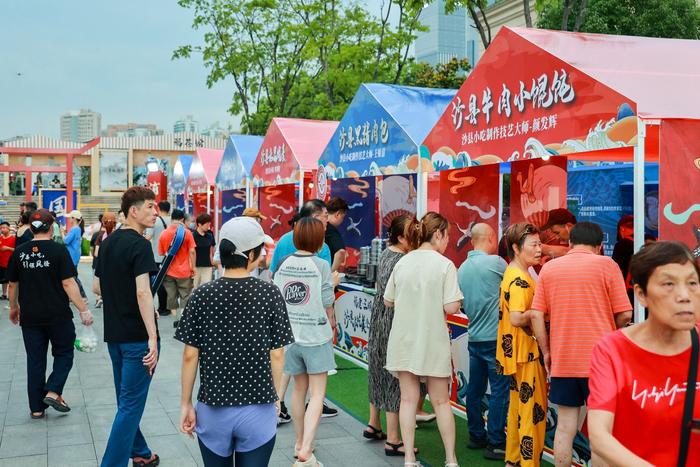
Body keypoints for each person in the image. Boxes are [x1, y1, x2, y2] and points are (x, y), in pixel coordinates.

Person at [177, 216, 293, 467]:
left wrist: (186, 403)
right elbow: (277, 354)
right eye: (260, 250)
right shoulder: (269, 292)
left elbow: (190, 355)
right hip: (258, 407)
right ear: (249, 255)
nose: (262, 255)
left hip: (213, 409)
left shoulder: (202, 294)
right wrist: (276, 397)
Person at [529, 222, 632, 467]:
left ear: (571, 242)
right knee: (600, 432)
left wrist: (546, 352)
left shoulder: (550, 268)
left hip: (563, 359)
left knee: (565, 427)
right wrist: (610, 332)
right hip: (601, 363)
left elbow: (535, 314)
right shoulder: (607, 265)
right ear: (599, 246)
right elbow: (626, 315)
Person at [588, 241, 700, 465]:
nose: (684, 295)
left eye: (692, 283)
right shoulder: (613, 350)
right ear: (641, 294)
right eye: (668, 284)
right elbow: (599, 434)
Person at [383, 212, 464, 467]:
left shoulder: (403, 262)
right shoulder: (445, 265)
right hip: (432, 340)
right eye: (447, 235)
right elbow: (452, 307)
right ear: (437, 234)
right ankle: (450, 460)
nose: (448, 241)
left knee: (407, 400)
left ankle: (408, 458)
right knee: (440, 402)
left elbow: (388, 300)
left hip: (403, 340)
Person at [94, 187, 160, 467]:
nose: (155, 212)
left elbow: (97, 286)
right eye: (150, 207)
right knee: (131, 405)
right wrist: (153, 337)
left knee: (126, 402)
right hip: (136, 338)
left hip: (115, 336)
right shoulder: (140, 244)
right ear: (134, 211)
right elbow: (143, 293)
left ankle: (141, 453)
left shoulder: (107, 242)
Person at [6, 209, 93, 419]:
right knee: (64, 353)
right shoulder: (58, 250)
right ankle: (54, 391)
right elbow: (68, 283)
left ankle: (36, 408)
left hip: (31, 317)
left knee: (35, 360)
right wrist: (83, 309)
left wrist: (14, 307)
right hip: (58, 315)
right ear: (52, 227)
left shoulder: (20, 252)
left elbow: (12, 284)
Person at [273, 217, 337, 467]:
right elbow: (326, 300)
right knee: (317, 393)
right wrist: (333, 285)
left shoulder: (283, 263)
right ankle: (307, 448)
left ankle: (299, 442)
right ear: (318, 240)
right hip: (316, 337)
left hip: (290, 338)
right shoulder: (320, 265)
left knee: (298, 390)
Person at [365, 213, 422, 457]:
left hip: (379, 321)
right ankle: (394, 439)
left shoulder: (387, 254)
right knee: (393, 378)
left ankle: (374, 423)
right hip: (392, 322)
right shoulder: (403, 261)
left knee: (377, 371)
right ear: (401, 237)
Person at [457, 223, 509, 460]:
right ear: (490, 237)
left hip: (474, 337)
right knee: (499, 391)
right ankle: (496, 441)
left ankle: (476, 435)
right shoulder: (497, 263)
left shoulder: (462, 268)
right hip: (495, 339)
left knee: (475, 390)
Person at [497, 223, 547, 467]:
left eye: (539, 244)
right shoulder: (520, 280)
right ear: (516, 248)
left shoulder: (514, 271)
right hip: (526, 352)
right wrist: (539, 312)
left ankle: (514, 459)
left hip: (518, 353)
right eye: (534, 245)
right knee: (530, 414)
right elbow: (517, 317)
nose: (539, 249)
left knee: (518, 410)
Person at [269, 199, 332, 273]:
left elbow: (272, 273)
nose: (327, 220)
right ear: (315, 217)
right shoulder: (321, 246)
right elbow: (326, 280)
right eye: (326, 216)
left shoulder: (283, 239)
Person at [158, 209, 196, 327]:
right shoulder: (187, 232)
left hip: (168, 271)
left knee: (171, 295)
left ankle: (175, 318)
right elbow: (192, 251)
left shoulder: (164, 233)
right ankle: (183, 319)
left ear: (171, 218)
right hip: (185, 271)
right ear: (182, 219)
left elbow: (161, 252)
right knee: (185, 295)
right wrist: (193, 267)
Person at [145, 201, 171, 315]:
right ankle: (171, 307)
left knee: (159, 282)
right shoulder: (173, 221)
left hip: (158, 256)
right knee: (170, 282)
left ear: (159, 209)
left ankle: (162, 307)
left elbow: (148, 237)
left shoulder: (155, 221)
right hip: (171, 257)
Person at [93, 212, 117, 309]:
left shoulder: (100, 236)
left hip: (103, 267)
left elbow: (96, 254)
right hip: (116, 268)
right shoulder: (118, 236)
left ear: (102, 223)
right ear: (115, 223)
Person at [64, 210, 87, 300]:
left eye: (70, 217)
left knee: (72, 276)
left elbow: (65, 241)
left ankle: (82, 295)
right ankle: (75, 296)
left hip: (72, 255)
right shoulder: (77, 229)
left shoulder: (74, 229)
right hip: (75, 254)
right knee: (73, 276)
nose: (69, 219)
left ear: (74, 219)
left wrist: (62, 232)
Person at [324, 197, 348, 272]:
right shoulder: (331, 230)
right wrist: (331, 273)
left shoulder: (319, 226)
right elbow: (341, 252)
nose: (342, 221)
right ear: (338, 214)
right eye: (343, 217)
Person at [192, 213, 215, 288]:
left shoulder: (210, 235)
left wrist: (213, 264)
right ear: (199, 224)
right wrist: (192, 267)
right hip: (196, 267)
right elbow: (191, 252)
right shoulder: (193, 236)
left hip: (207, 266)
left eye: (209, 224)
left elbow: (211, 251)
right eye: (207, 224)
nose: (208, 226)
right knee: (194, 287)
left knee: (206, 288)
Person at [0, 221, 17, 300]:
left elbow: (17, 250)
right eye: (1, 228)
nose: (2, 230)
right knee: (3, 280)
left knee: (10, 280)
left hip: (10, 263)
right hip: (1, 262)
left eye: (4, 228)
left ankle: (10, 295)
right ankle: (4, 294)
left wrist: (7, 248)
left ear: (9, 228)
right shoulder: (0, 238)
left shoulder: (13, 238)